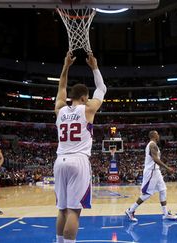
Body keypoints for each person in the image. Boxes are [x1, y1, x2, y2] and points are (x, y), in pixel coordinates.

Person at [54, 51, 106, 243]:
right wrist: (94, 67)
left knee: (62, 209)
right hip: (79, 160)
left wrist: (66, 66)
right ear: (84, 98)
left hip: (60, 161)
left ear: (71, 96)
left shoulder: (59, 109)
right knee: (74, 210)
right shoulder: (88, 108)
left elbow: (61, 86)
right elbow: (101, 88)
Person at [125, 130, 177, 222]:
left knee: (163, 190)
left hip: (156, 171)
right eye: (157, 134)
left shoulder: (154, 145)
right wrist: (167, 168)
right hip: (151, 172)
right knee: (147, 194)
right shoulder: (152, 145)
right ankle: (130, 210)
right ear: (154, 136)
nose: (159, 135)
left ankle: (165, 214)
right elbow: (155, 159)